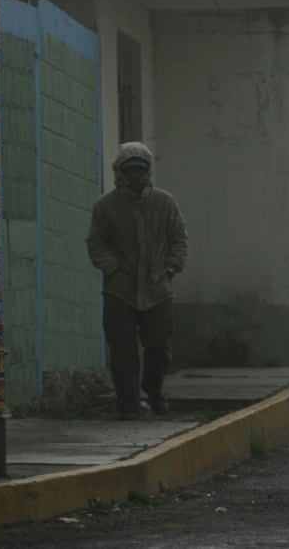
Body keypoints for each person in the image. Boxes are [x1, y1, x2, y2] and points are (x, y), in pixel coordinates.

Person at [87, 142, 189, 420]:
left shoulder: (164, 202)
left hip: (158, 288)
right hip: (119, 289)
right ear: (119, 171)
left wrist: (170, 268)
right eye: (129, 171)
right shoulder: (105, 206)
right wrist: (113, 270)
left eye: (140, 171)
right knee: (122, 350)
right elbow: (96, 243)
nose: (135, 177)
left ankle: (154, 392)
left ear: (148, 171)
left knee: (158, 345)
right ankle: (129, 405)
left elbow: (179, 238)